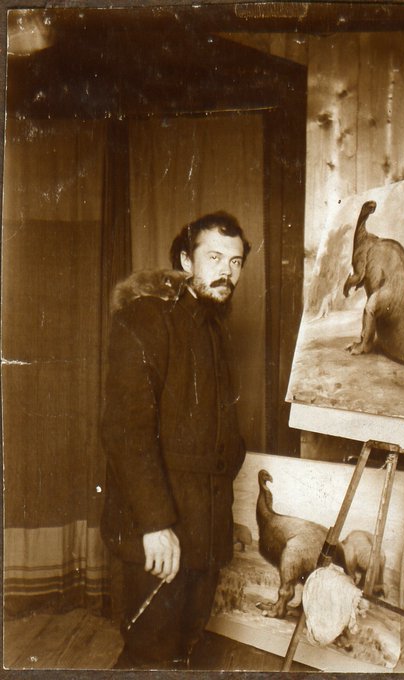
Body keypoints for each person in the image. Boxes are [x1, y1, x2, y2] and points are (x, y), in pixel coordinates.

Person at [100, 211, 251, 669]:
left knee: (184, 648)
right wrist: (154, 525)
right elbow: (126, 432)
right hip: (160, 531)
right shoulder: (147, 317)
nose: (227, 272)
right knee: (150, 654)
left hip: (203, 528)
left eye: (236, 262)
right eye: (214, 257)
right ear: (186, 261)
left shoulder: (212, 325)